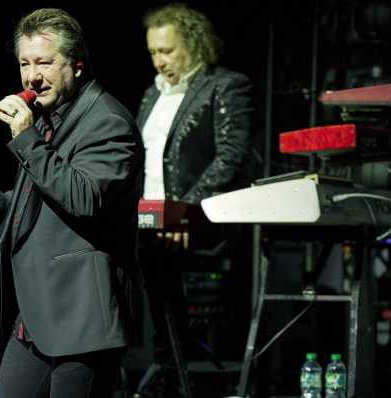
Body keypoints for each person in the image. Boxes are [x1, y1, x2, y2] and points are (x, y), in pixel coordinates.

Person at [0, 8, 144, 398]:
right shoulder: (51, 117)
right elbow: (48, 198)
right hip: (37, 315)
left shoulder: (108, 121)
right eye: (24, 64)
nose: (32, 77)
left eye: (44, 63)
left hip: (82, 319)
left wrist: (27, 139)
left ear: (77, 65)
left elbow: (84, 198)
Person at [132, 3, 254, 397]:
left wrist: (183, 212)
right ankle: (158, 367)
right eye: (153, 51)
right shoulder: (153, 94)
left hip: (196, 222)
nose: (158, 60)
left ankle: (169, 372)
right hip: (149, 221)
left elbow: (231, 155)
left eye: (166, 50)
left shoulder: (226, 85)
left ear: (194, 45)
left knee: (162, 276)